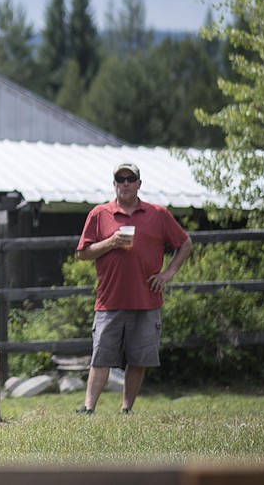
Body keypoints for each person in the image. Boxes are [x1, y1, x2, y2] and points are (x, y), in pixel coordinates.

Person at [76, 163, 193, 415]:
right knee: (101, 357)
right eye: (121, 178)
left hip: (146, 299)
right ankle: (88, 408)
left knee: (138, 359)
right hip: (109, 299)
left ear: (139, 184)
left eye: (131, 179)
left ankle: (126, 408)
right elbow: (83, 253)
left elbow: (185, 243)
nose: (125, 183)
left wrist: (168, 274)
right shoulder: (99, 214)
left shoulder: (158, 214)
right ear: (114, 183)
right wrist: (110, 242)